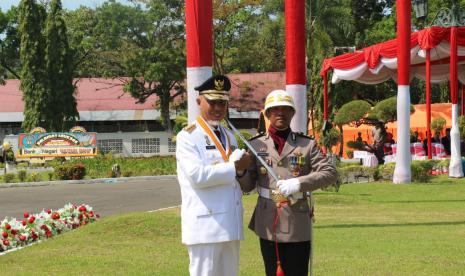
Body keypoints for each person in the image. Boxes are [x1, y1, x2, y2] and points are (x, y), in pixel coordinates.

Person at [236, 89, 337, 276]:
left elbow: (329, 173)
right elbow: (248, 185)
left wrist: (299, 183)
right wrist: (240, 170)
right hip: (267, 220)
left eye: (285, 109)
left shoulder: (306, 144)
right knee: (272, 272)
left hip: (296, 217)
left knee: (297, 272)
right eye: (274, 109)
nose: (280, 113)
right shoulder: (255, 145)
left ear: (292, 113)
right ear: (267, 114)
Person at [176, 75, 252, 276]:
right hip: (205, 226)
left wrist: (242, 169)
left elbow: (234, 176)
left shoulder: (228, 135)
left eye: (222, 102)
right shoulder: (188, 136)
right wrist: (234, 167)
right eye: (212, 102)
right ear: (199, 101)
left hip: (230, 223)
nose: (218, 108)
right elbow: (197, 176)